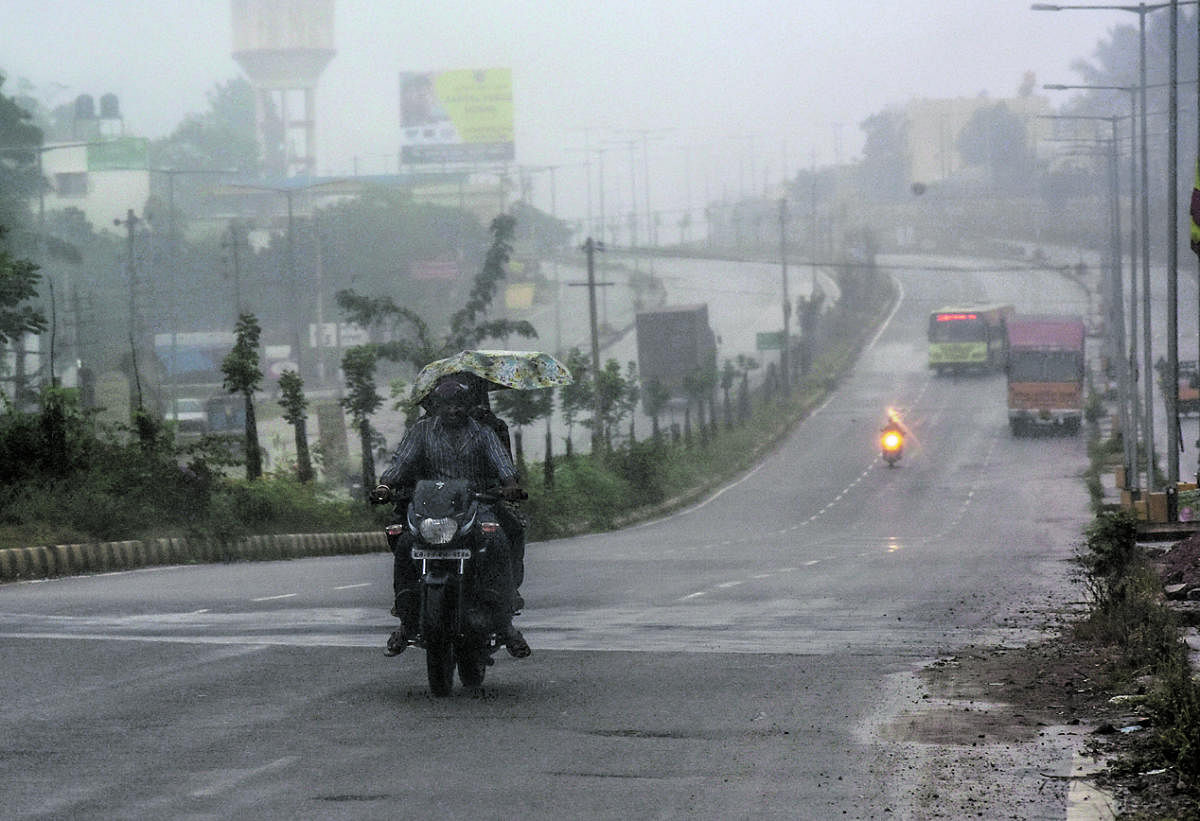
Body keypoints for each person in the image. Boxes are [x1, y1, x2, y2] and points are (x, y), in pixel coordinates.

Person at [373, 374, 530, 659]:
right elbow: (402, 462)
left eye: (459, 404)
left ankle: (505, 623)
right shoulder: (421, 431)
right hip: (431, 509)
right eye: (447, 404)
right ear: (435, 405)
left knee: (500, 540)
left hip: (477, 505)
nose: (453, 410)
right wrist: (386, 485)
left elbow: (502, 463)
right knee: (406, 544)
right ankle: (406, 620)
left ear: (468, 405)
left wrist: (510, 486)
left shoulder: (483, 432)